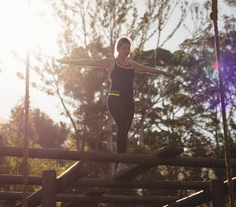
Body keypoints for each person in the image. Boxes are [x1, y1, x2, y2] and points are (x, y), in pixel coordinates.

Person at [57, 37, 173, 173]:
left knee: (125, 130)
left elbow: (147, 69)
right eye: (124, 48)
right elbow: (89, 62)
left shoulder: (132, 64)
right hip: (114, 99)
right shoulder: (111, 62)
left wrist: (162, 72)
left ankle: (121, 163)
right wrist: (68, 61)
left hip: (129, 101)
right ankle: (121, 163)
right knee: (122, 125)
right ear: (118, 48)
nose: (127, 50)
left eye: (129, 48)